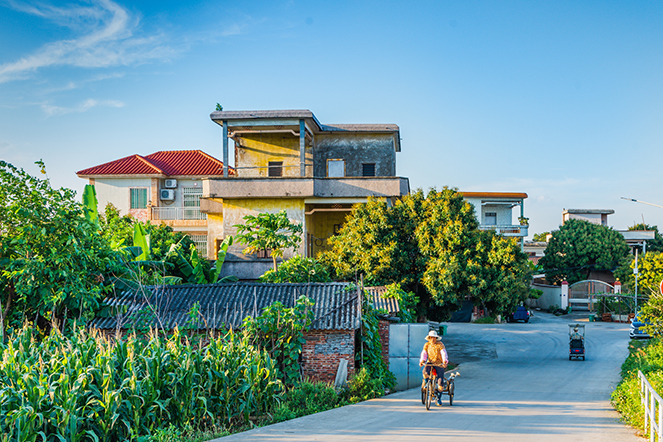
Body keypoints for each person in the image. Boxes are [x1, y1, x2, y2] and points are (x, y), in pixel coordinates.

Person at [419, 330, 449, 406]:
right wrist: (422, 360)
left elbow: (443, 353)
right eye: (431, 338)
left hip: (439, 363)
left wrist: (445, 361)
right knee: (425, 372)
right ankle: (426, 383)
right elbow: (424, 353)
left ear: (436, 338)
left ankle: (438, 398)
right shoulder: (427, 345)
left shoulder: (440, 344)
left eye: (434, 338)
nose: (433, 339)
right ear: (429, 338)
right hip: (430, 363)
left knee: (440, 381)